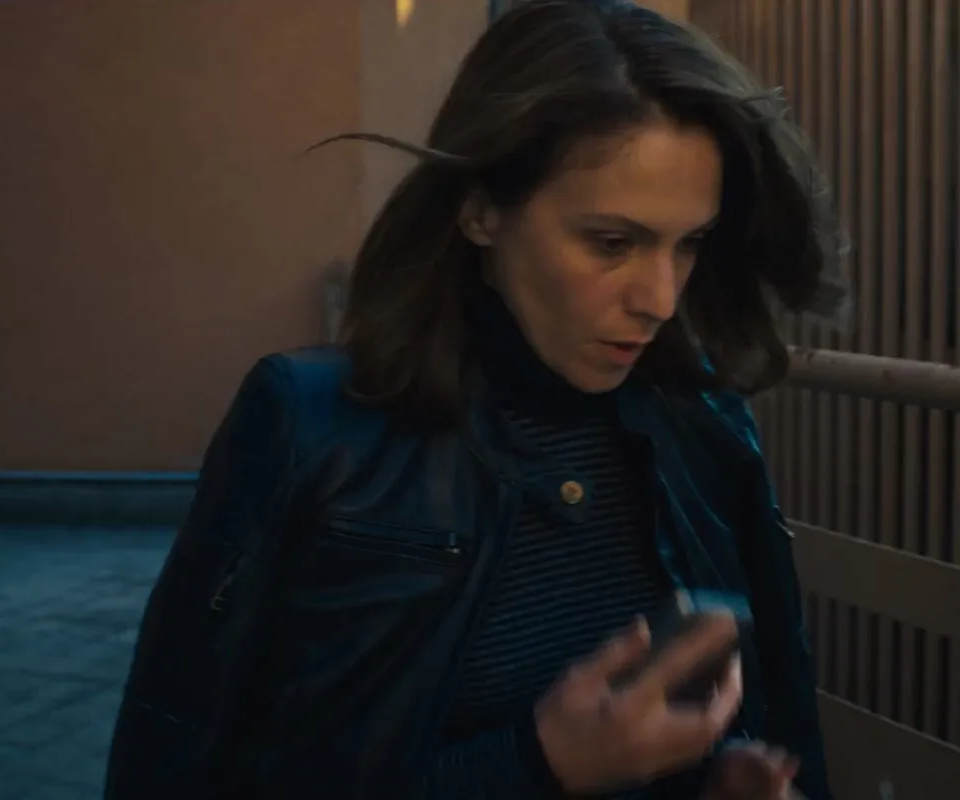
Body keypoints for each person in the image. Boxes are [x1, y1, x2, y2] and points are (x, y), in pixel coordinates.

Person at [103, 0, 848, 796]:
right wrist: (534, 764)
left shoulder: (706, 425)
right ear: (481, 208)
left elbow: (782, 729)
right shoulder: (311, 432)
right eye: (612, 243)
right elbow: (177, 770)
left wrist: (725, 781)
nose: (660, 299)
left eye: (688, 243)